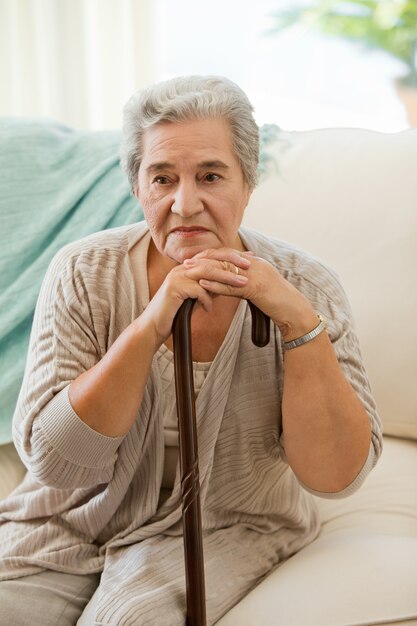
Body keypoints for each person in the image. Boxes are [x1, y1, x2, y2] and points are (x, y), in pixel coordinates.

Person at [0, 75, 382, 625]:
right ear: (137, 187)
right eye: (162, 178)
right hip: (70, 519)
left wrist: (297, 320)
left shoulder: (308, 285)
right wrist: (152, 322)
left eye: (210, 176)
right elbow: (58, 464)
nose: (184, 204)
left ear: (247, 182)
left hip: (231, 521)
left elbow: (334, 476)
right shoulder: (85, 273)